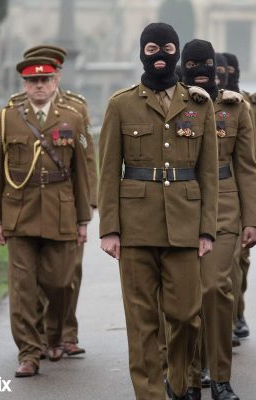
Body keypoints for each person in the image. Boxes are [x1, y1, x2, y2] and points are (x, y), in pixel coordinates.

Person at [98, 23, 218, 400]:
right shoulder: (121, 104)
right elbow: (108, 171)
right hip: (135, 227)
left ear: (177, 52)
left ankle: (177, 383)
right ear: (142, 53)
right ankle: (149, 394)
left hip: (185, 225)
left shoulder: (199, 104)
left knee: (186, 316)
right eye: (152, 49)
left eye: (167, 48)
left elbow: (208, 173)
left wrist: (207, 230)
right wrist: (109, 229)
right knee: (142, 323)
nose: (160, 56)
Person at [0, 56, 91, 377]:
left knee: (60, 282)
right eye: (33, 81)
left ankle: (54, 334)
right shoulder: (7, 118)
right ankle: (29, 353)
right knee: (22, 288)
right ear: (25, 85)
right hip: (19, 212)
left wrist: (83, 220)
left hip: (60, 212)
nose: (39, 86)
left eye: (45, 80)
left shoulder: (72, 117)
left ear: (55, 81)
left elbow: (81, 172)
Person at [182, 39, 256, 400]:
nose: (201, 70)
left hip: (225, 207)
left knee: (215, 288)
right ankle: (189, 374)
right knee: (187, 296)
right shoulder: (175, 104)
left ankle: (220, 378)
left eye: (206, 64)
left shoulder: (235, 107)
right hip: (183, 205)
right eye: (192, 64)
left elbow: (248, 166)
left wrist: (252, 220)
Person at [8, 44, 98, 358]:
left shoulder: (76, 107)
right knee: (31, 280)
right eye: (36, 76)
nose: (44, 80)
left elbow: (86, 159)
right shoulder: (15, 109)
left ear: (58, 75)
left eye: (52, 72)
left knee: (67, 274)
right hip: (30, 205)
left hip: (65, 203)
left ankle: (65, 333)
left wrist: (89, 203)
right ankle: (37, 338)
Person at [222, 52, 256, 342]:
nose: (226, 75)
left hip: (242, 192)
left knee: (240, 259)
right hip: (220, 191)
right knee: (227, 261)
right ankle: (226, 318)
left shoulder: (250, 104)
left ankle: (236, 312)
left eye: (231, 70)